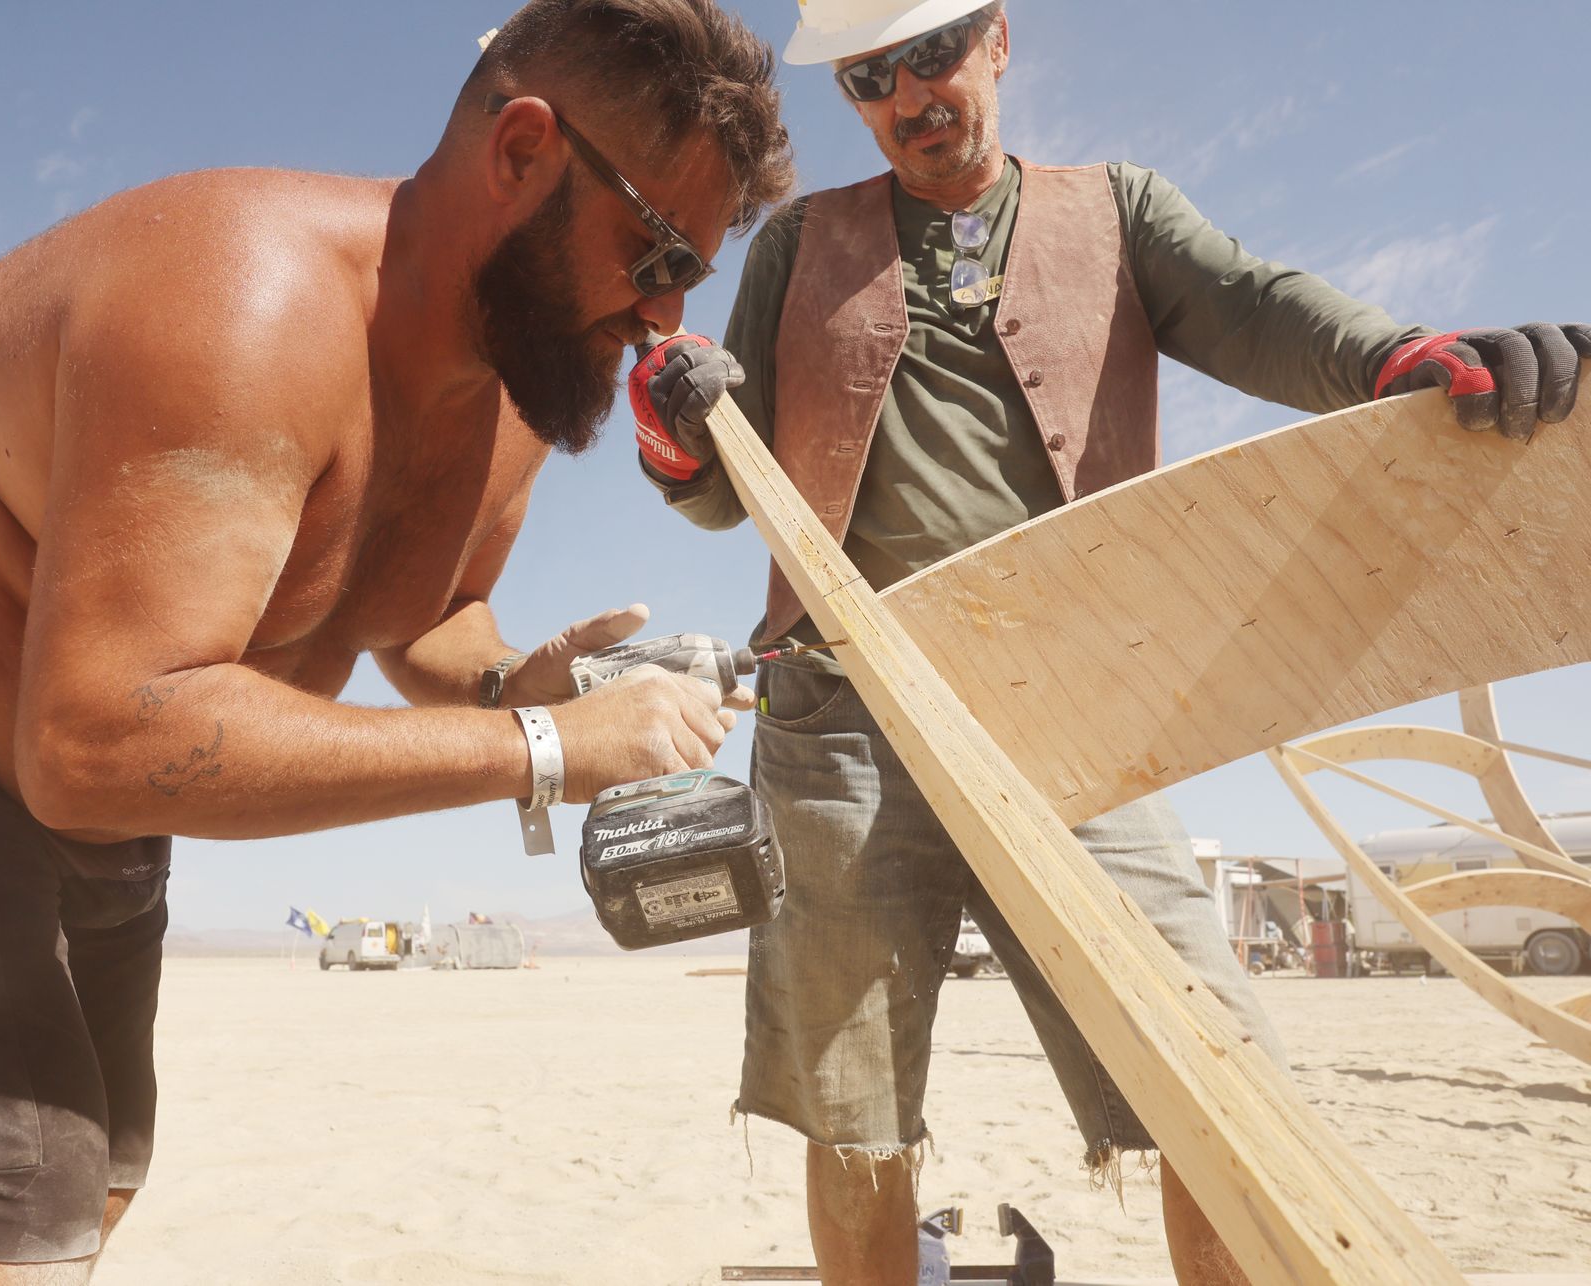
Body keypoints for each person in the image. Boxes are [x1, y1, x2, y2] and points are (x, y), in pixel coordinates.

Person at [627, 2, 1590, 1283]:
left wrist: (1399, 357)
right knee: (854, 1112)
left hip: (1077, 705)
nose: (907, 97)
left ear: (998, 37)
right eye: (868, 76)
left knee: (1211, 1078)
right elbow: (717, 483)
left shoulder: (1117, 211)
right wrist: (670, 425)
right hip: (843, 720)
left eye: (930, 53)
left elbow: (1257, 307)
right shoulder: (800, 244)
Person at [0, 0, 792, 1276]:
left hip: (113, 808)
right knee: (29, 1202)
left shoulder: (516, 390)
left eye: (694, 269)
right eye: (655, 253)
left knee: (111, 1168)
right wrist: (542, 749)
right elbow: (91, 735)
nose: (667, 315)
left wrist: (512, 680)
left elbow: (408, 610)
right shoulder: (244, 306)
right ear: (521, 149)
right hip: (52, 751)